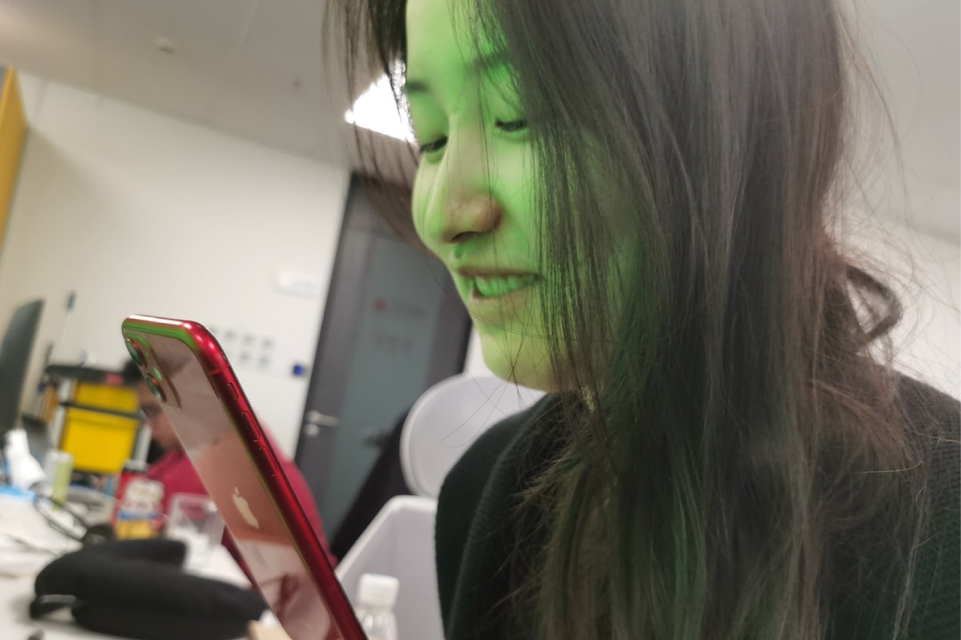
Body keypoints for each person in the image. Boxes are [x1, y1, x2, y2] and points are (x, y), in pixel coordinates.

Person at [332, 0, 960, 639]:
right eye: (431, 138)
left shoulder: (941, 521)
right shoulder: (483, 496)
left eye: (520, 113)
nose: (444, 214)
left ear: (730, 123)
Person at [121, 360, 334, 568]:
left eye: (151, 412)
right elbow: (145, 488)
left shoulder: (222, 453)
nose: (148, 424)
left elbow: (146, 519)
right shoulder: (199, 441)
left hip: (268, 588)